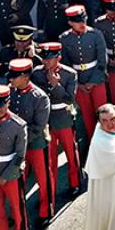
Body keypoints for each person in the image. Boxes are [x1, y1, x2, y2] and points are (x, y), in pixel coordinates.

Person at [7, 58, 53, 227]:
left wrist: (20, 141)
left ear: (25, 77)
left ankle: (45, 210)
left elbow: (38, 127)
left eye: (14, 76)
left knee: (43, 178)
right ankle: (17, 213)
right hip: (16, 146)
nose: (10, 79)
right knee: (18, 180)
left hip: (36, 144)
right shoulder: (10, 93)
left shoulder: (40, 97)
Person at [32, 42, 81, 197]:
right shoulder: (37, 73)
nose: (46, 62)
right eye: (44, 59)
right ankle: (50, 194)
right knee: (50, 160)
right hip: (46, 121)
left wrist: (55, 85)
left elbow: (69, 99)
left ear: (58, 58)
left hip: (63, 118)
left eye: (50, 59)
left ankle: (76, 183)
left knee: (71, 154)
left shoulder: (69, 74)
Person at [59, 5, 107, 140]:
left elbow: (102, 61)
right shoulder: (65, 38)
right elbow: (66, 65)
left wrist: (93, 81)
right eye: (77, 21)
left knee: (103, 111)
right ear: (70, 23)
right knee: (87, 115)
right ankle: (94, 140)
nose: (82, 24)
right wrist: (77, 84)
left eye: (83, 20)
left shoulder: (95, 35)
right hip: (79, 82)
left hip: (96, 80)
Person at [0, 84, 27, 230]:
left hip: (11, 174)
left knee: (17, 209)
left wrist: (5, 176)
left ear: (8, 102)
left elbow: (20, 155)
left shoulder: (18, 125)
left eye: (1, 106)